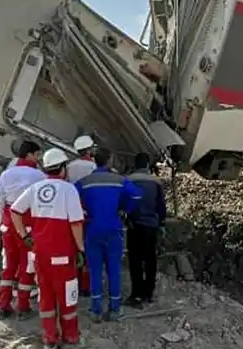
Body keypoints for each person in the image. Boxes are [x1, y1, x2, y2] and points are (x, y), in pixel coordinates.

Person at [10, 148, 86, 349]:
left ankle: (49, 340)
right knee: (67, 298)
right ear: (62, 169)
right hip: (63, 256)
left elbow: (15, 210)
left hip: (40, 255)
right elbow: (76, 224)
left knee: (46, 297)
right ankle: (70, 338)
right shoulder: (68, 190)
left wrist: (25, 237)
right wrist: (81, 249)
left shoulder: (35, 189)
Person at [75, 147, 142, 322]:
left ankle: (95, 310)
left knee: (95, 270)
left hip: (92, 229)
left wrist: (84, 211)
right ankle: (114, 308)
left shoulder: (84, 182)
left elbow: (72, 197)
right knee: (114, 270)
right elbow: (137, 195)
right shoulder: (119, 180)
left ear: (93, 160)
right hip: (114, 229)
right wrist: (124, 209)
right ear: (110, 160)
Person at [0, 140, 45, 319]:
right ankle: (23, 306)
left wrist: (3, 224)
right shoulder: (39, 176)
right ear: (30, 154)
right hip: (28, 225)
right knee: (27, 266)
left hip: (8, 225)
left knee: (8, 265)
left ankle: (3, 304)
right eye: (37, 155)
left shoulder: (6, 175)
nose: (38, 158)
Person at [124, 153, 167, 308]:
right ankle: (148, 293)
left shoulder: (128, 180)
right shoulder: (156, 181)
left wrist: (127, 219)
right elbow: (161, 205)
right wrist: (161, 222)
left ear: (135, 164)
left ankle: (136, 293)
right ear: (148, 165)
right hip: (151, 226)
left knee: (135, 260)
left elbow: (125, 202)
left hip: (134, 225)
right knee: (150, 260)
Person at [66, 134, 98, 296]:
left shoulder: (70, 166)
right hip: (90, 210)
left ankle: (75, 281)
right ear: (89, 150)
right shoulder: (92, 167)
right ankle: (86, 285)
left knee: (74, 248)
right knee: (88, 249)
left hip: (73, 210)